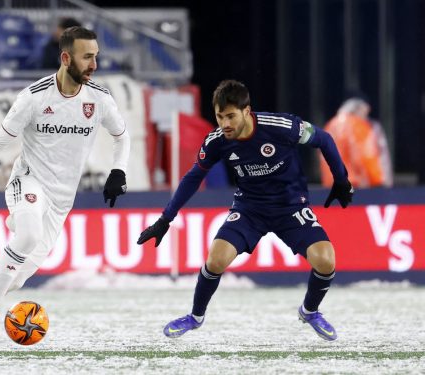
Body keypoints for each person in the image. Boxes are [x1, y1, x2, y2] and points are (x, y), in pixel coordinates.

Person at [0, 26, 130, 348]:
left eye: (96, 56)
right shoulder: (34, 97)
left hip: (62, 199)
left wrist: (117, 172)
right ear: (66, 58)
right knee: (28, 235)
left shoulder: (100, 100)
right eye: (87, 57)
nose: (94, 64)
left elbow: (122, 137)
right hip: (28, 180)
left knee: (15, 278)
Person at [138, 80, 354, 341]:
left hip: (291, 207)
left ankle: (309, 311)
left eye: (230, 116)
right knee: (215, 259)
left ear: (246, 111)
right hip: (249, 209)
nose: (225, 124)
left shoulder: (281, 127)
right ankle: (194, 317)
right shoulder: (217, 141)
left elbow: (324, 139)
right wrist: (165, 220)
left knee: (326, 260)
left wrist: (341, 180)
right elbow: (193, 177)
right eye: (220, 116)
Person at [320, 96, 393, 188]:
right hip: (356, 185)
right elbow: (364, 155)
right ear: (358, 109)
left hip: (332, 185)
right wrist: (378, 181)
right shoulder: (357, 126)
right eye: (365, 112)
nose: (366, 117)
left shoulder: (330, 125)